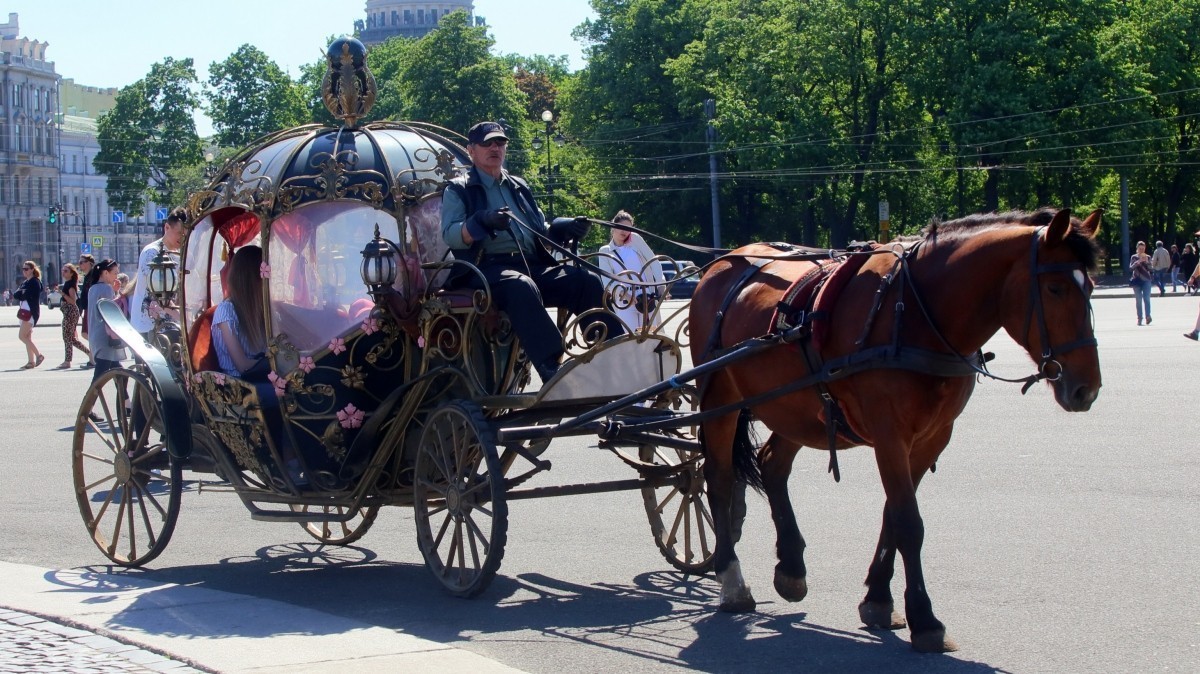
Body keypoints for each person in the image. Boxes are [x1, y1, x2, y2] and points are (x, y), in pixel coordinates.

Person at [441, 121, 622, 382]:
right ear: (471, 150)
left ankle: (612, 352)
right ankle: (552, 368)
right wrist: (481, 220)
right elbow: (450, 234)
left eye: (500, 142)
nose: (495, 147)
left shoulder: (518, 186)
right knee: (520, 286)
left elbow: (538, 229)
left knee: (585, 280)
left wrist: (563, 228)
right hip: (485, 269)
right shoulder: (458, 189)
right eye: (487, 143)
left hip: (529, 264)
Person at [597, 210, 667, 332]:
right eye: (621, 227)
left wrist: (661, 284)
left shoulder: (635, 240)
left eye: (628, 228)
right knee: (629, 336)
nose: (624, 231)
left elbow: (653, 261)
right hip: (625, 300)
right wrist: (625, 295)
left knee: (651, 336)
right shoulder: (605, 251)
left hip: (646, 296)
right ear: (613, 227)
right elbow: (607, 280)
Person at [211, 246, 268, 377]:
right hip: (241, 384)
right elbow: (242, 366)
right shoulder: (226, 311)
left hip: (264, 375)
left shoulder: (260, 307)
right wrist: (276, 365)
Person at [129, 207, 185, 339]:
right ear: (167, 227)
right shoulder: (152, 252)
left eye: (185, 234)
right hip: (150, 326)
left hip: (169, 324)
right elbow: (158, 294)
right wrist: (184, 319)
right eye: (179, 233)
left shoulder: (179, 254)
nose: (182, 238)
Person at [85, 259, 127, 382]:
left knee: (119, 374)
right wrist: (117, 293)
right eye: (114, 273)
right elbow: (111, 312)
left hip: (96, 335)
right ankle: (89, 401)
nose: (116, 276)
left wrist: (114, 291)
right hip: (106, 337)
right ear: (105, 273)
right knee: (100, 376)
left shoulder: (93, 288)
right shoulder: (106, 289)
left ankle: (125, 401)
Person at [53, 263, 91, 369]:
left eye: (66, 271)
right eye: (62, 270)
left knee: (67, 338)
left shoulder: (70, 284)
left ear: (71, 273)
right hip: (69, 312)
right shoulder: (68, 283)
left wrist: (62, 294)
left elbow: (73, 301)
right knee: (71, 339)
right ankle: (89, 353)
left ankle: (67, 361)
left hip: (70, 312)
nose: (63, 273)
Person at [14, 260, 44, 369]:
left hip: (30, 312)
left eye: (26, 269)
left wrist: (23, 293)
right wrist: (23, 293)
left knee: (22, 336)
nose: (24, 271)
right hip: (23, 312)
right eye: (23, 269)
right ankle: (31, 362)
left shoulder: (35, 282)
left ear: (32, 269)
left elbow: (28, 295)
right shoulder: (25, 282)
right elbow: (16, 295)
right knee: (27, 337)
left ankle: (39, 355)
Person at [76, 254, 96, 369]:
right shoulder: (87, 276)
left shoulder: (93, 276)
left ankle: (94, 359)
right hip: (87, 307)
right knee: (86, 334)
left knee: (88, 334)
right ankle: (93, 359)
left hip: (91, 307)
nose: (80, 264)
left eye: (82, 262)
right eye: (80, 262)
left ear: (90, 263)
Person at [1130, 241, 1153, 326]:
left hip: (1146, 280)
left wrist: (1147, 262)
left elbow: (1151, 269)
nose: (1141, 250)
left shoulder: (1148, 257)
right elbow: (1131, 268)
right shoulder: (1134, 257)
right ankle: (1139, 318)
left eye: (1143, 249)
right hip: (1136, 280)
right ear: (1137, 249)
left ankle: (1148, 316)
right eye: (1140, 249)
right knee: (1138, 300)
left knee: (1147, 298)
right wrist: (1138, 261)